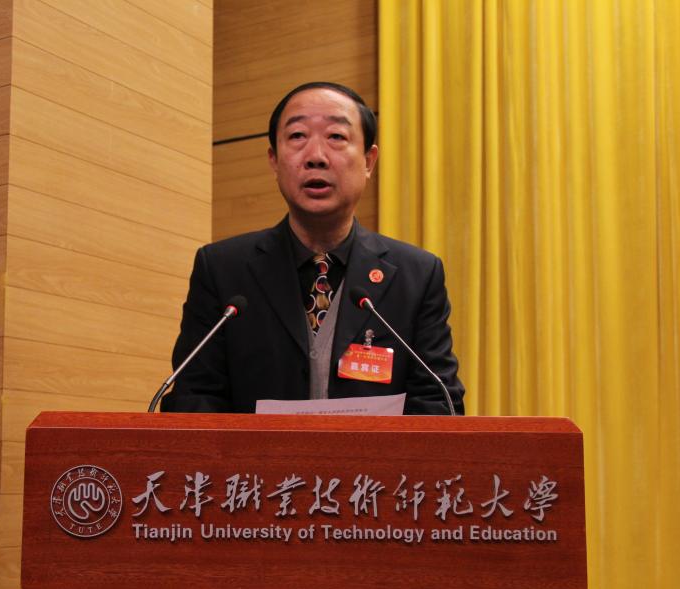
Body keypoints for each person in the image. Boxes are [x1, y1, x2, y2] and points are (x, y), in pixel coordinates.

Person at [161, 82, 464, 415]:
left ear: (369, 161)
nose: (316, 156)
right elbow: (195, 396)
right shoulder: (222, 270)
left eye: (336, 136)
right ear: (274, 160)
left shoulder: (417, 276)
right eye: (297, 136)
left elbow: (438, 402)